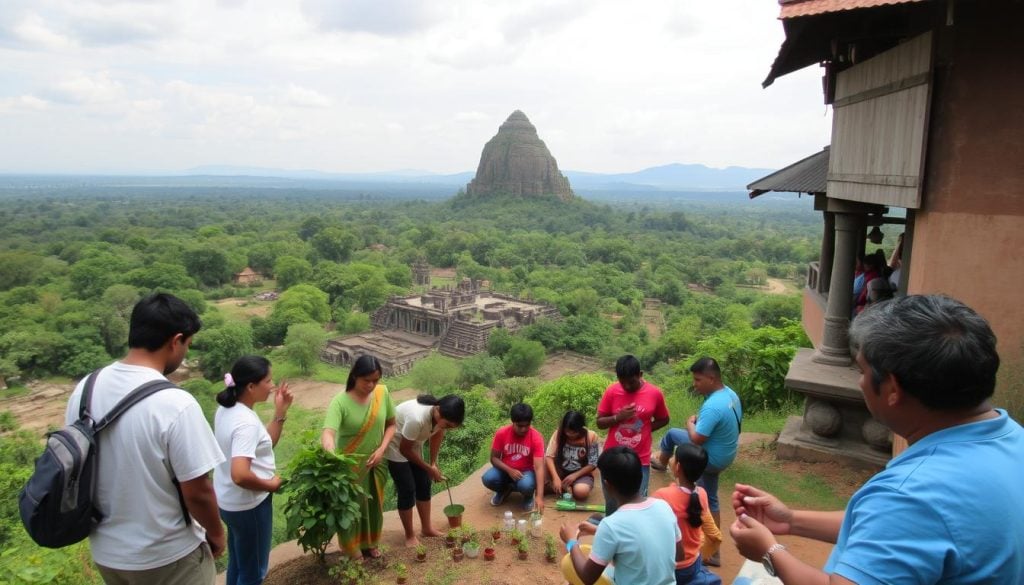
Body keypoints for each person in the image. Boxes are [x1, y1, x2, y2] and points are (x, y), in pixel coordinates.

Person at [731, 295, 1024, 584]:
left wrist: (770, 552)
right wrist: (791, 520)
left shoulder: (910, 494)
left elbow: (905, 519)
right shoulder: (1013, 441)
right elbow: (900, 531)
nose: (859, 382)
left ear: (893, 388)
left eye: (862, 370)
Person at [63, 292, 225, 585]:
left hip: (109, 555)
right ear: (175, 341)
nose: (185, 352)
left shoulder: (85, 389)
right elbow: (198, 491)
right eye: (187, 344)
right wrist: (216, 534)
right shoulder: (176, 404)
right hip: (168, 556)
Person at [213, 356, 293, 585]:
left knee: (239, 562)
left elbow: (264, 443)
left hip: (229, 502)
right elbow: (240, 474)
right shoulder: (245, 422)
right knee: (254, 572)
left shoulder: (228, 409)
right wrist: (272, 485)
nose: (273, 386)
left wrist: (281, 411)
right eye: (268, 381)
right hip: (249, 506)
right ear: (250, 386)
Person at [654, 356, 740, 566]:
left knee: (674, 434)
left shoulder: (713, 406)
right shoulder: (729, 394)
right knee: (710, 497)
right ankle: (715, 549)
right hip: (727, 453)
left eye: (698, 380)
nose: (695, 384)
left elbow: (696, 438)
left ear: (711, 378)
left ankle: (663, 462)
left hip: (711, 457)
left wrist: (690, 422)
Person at [559, 446, 683, 585]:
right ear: (640, 476)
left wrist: (571, 541)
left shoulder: (612, 525)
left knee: (568, 573)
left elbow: (587, 577)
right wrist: (597, 530)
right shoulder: (663, 506)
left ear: (607, 485)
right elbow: (679, 556)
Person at [320, 355, 396, 560]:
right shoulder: (340, 402)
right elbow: (329, 432)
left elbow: (391, 424)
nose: (371, 385)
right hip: (350, 467)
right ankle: (352, 547)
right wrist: (330, 450)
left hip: (377, 462)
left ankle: (371, 542)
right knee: (351, 507)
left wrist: (382, 449)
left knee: (374, 506)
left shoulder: (382, 393)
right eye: (366, 380)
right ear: (354, 376)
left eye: (375, 380)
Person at [384, 394, 465, 547]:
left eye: (450, 427)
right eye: (447, 424)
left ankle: (426, 528)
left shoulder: (441, 419)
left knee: (424, 484)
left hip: (413, 442)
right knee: (407, 489)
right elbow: (405, 449)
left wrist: (433, 463)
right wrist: (428, 468)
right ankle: (409, 536)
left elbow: (437, 433)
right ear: (437, 410)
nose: (447, 428)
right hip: (396, 445)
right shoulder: (417, 418)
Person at [595, 354, 670, 514]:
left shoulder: (654, 393)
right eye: (623, 383)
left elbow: (664, 419)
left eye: (632, 382)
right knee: (612, 502)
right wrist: (618, 417)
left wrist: (643, 428)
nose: (627, 387)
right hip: (612, 457)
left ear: (640, 374)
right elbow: (599, 422)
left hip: (640, 459)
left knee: (637, 504)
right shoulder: (612, 391)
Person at [652, 443, 723, 585]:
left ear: (678, 467)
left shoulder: (662, 495)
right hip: (693, 563)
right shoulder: (701, 494)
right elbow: (714, 535)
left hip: (669, 567)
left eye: (674, 458)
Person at [482, 402, 546, 512]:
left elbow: (539, 468)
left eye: (527, 425)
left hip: (526, 473)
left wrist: (540, 497)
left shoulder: (536, 437)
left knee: (526, 485)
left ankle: (528, 496)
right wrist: (509, 470)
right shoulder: (502, 433)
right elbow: (494, 458)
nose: (523, 429)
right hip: (506, 471)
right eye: (520, 426)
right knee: (488, 478)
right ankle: (503, 490)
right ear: (513, 422)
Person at [544, 410, 600, 501]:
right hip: (560, 471)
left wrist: (575, 475)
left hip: (581, 473)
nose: (569, 434)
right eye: (567, 431)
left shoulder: (591, 436)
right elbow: (549, 456)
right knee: (542, 463)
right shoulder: (558, 433)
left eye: (573, 432)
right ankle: (560, 486)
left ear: (581, 428)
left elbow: (593, 463)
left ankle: (563, 487)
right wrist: (555, 477)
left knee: (581, 492)